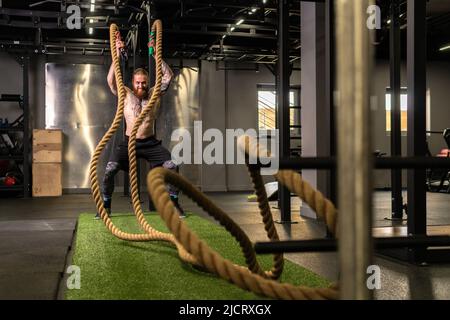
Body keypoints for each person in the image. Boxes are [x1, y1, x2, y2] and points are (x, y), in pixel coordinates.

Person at [95, 31, 185, 219]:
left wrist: (155, 54)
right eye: (138, 83)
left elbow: (168, 77)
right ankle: (106, 206)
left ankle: (175, 203)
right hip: (129, 142)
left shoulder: (154, 94)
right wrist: (117, 55)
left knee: (172, 165)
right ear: (132, 83)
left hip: (150, 143)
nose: (141, 86)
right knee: (109, 170)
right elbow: (111, 81)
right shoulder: (126, 94)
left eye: (144, 83)